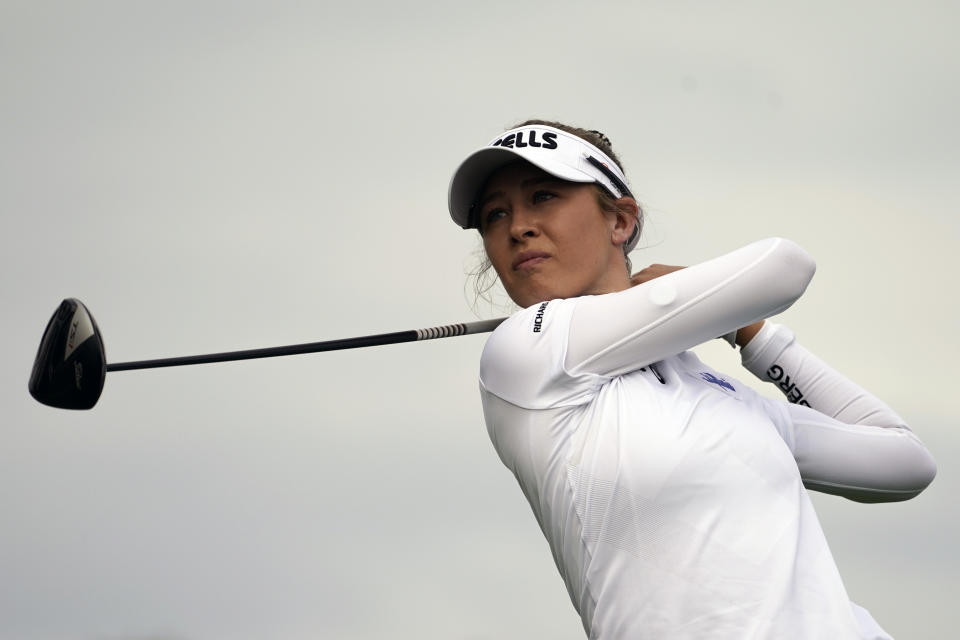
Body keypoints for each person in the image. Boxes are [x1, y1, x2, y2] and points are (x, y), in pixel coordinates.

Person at [446, 120, 937, 639]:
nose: (517, 226)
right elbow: (782, 268)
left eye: (543, 196)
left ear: (621, 220)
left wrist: (753, 334)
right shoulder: (528, 349)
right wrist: (717, 306)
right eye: (495, 214)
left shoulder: (720, 395)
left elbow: (904, 460)